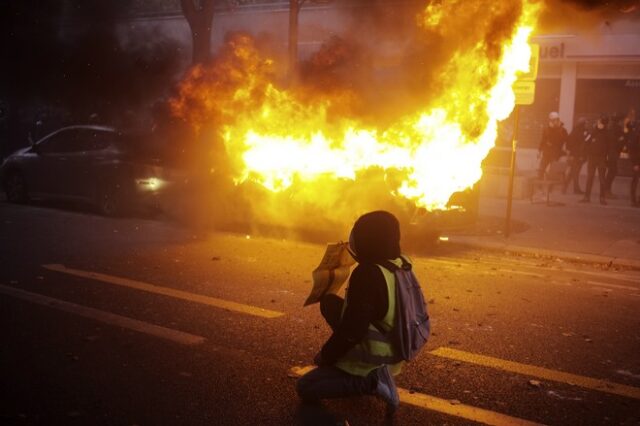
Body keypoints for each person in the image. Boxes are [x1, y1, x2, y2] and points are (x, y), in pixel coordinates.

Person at [296, 211, 406, 414]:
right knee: (329, 303)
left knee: (306, 387)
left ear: (368, 240)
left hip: (376, 354)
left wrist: (326, 356)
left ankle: (370, 382)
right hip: (395, 345)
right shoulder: (401, 264)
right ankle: (375, 372)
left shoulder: (367, 274)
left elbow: (352, 329)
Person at [580, 115, 611, 205]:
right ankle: (586, 197)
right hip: (592, 158)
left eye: (601, 123)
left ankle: (602, 198)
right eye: (599, 122)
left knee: (602, 179)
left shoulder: (607, 134)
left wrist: (607, 159)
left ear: (605, 124)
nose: (599, 124)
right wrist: (584, 154)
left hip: (602, 159)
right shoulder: (593, 132)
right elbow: (585, 142)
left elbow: (610, 147)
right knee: (590, 177)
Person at [538, 111, 568, 179]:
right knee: (541, 169)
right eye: (553, 120)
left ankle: (550, 185)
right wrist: (539, 150)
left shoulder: (562, 130)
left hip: (555, 153)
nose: (555, 122)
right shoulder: (546, 129)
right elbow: (543, 140)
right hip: (547, 152)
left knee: (553, 171)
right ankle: (539, 183)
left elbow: (565, 140)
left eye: (556, 120)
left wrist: (566, 149)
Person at [563, 118, 590, 194]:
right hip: (577, 156)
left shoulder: (574, 131)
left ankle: (564, 188)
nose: (587, 125)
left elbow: (568, 143)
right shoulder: (581, 133)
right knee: (575, 172)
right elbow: (584, 144)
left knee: (573, 172)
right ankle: (575, 189)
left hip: (575, 155)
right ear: (582, 124)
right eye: (586, 124)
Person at [604, 114, 627, 198]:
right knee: (612, 172)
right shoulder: (617, 129)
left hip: (610, 153)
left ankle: (606, 190)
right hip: (612, 154)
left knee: (611, 171)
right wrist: (622, 141)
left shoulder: (611, 128)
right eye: (623, 121)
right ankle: (606, 191)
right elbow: (618, 142)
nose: (624, 122)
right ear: (620, 121)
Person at [627, 121, 640, 207]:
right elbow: (633, 150)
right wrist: (635, 163)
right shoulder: (636, 136)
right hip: (637, 162)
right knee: (635, 181)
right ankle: (633, 200)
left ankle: (637, 201)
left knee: (635, 181)